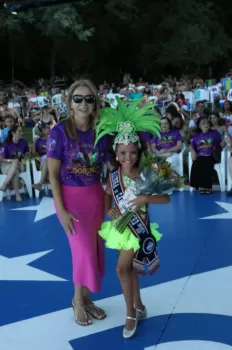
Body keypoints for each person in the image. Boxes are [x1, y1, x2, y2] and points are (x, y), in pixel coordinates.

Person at [95, 97, 170, 339]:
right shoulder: (113, 175)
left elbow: (166, 199)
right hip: (119, 228)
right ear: (116, 154)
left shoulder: (147, 174)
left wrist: (144, 199)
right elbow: (108, 194)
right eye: (123, 152)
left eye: (133, 152)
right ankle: (139, 304)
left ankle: (129, 314)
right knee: (131, 270)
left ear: (138, 153)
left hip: (138, 229)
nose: (128, 157)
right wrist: (109, 210)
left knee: (121, 269)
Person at [47, 79, 112, 327]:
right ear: (70, 104)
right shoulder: (60, 132)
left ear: (95, 104)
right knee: (82, 251)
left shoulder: (101, 133)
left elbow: (110, 164)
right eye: (78, 99)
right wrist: (61, 210)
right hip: (71, 200)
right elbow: (53, 174)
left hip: (95, 197)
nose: (83, 103)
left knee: (93, 250)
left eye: (89, 99)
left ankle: (87, 300)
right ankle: (77, 300)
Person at [0, 125, 29, 201]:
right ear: (13, 133)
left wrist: (26, 156)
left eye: (21, 131)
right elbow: (1, 159)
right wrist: (12, 161)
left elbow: (27, 154)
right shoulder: (6, 143)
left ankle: (4, 184)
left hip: (20, 164)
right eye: (19, 131)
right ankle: (17, 195)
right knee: (15, 170)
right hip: (6, 165)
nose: (21, 133)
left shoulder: (23, 142)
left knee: (16, 164)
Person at [32, 121, 50, 190]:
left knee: (49, 159)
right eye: (47, 128)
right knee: (47, 159)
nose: (49, 129)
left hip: (53, 159)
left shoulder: (52, 138)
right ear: (42, 130)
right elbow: (33, 155)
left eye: (49, 127)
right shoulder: (38, 141)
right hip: (44, 160)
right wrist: (34, 143)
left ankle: (41, 183)